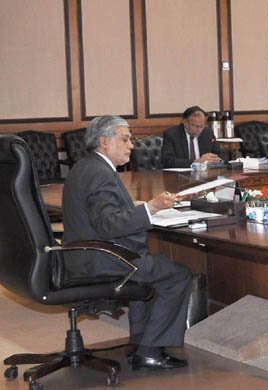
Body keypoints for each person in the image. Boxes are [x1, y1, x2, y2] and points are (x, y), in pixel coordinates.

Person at [62, 116, 192, 370]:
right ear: (103, 141)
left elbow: (99, 213)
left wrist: (135, 207)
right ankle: (151, 350)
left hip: (85, 254)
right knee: (177, 275)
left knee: (152, 267)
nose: (131, 145)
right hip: (101, 259)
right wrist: (151, 209)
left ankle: (139, 343)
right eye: (125, 139)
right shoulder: (100, 173)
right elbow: (107, 225)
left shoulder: (86, 167)